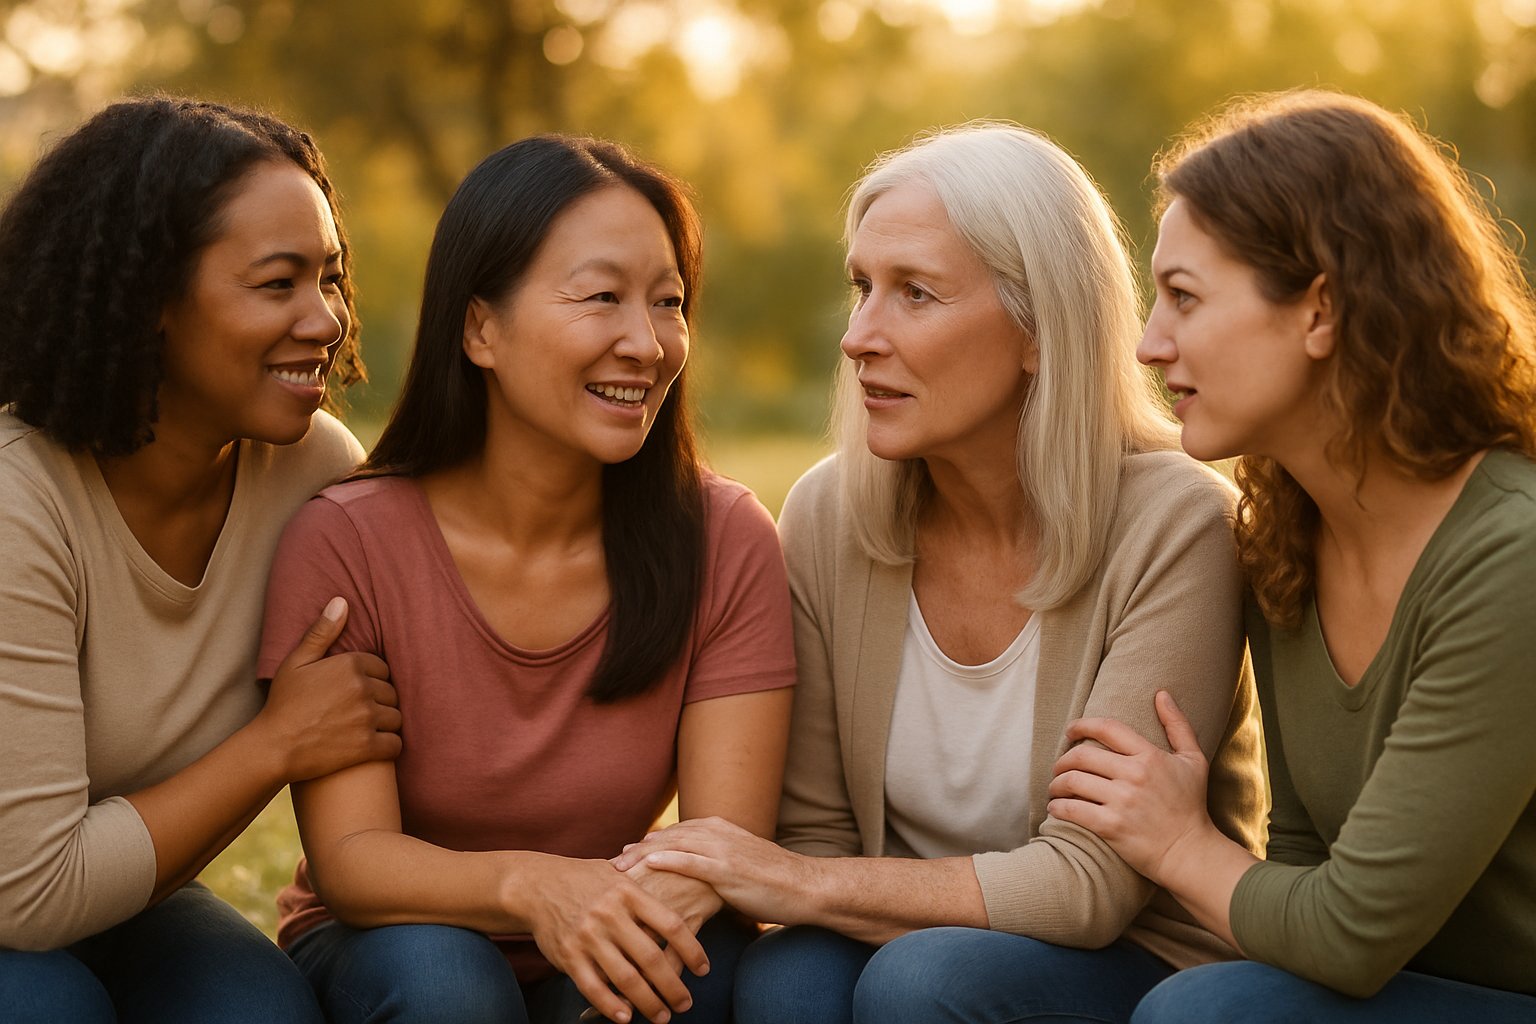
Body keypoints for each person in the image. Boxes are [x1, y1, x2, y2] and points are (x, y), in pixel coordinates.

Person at [612, 122, 1267, 1024]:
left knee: (925, 983)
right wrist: (794, 877)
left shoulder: (1177, 523)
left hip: (1139, 959)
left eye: (916, 293)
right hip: (896, 942)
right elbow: (815, 834)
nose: (859, 337)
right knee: (785, 981)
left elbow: (1089, 887)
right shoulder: (829, 513)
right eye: (861, 288)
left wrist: (795, 879)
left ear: (1042, 328)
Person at [255, 134, 797, 1024]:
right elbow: (355, 862)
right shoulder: (346, 539)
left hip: (610, 926)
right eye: (601, 298)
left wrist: (603, 911)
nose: (647, 342)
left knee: (710, 966)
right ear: (481, 328)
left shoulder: (725, 536)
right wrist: (536, 888)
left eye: (668, 302)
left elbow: (720, 851)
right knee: (447, 984)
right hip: (397, 938)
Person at [1047, 90, 1536, 1022]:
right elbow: (1303, 861)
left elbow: (1347, 933)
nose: (1150, 344)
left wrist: (1177, 842)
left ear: (1321, 310)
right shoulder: (1283, 540)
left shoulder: (1511, 558)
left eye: (1184, 297)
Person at [0, 97, 403, 1023]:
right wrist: (275, 744)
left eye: (331, 279)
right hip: (20, 896)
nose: (326, 319)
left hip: (128, 895)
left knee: (256, 1012)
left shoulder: (317, 473)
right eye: (277, 284)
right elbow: (27, 893)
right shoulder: (21, 501)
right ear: (149, 303)